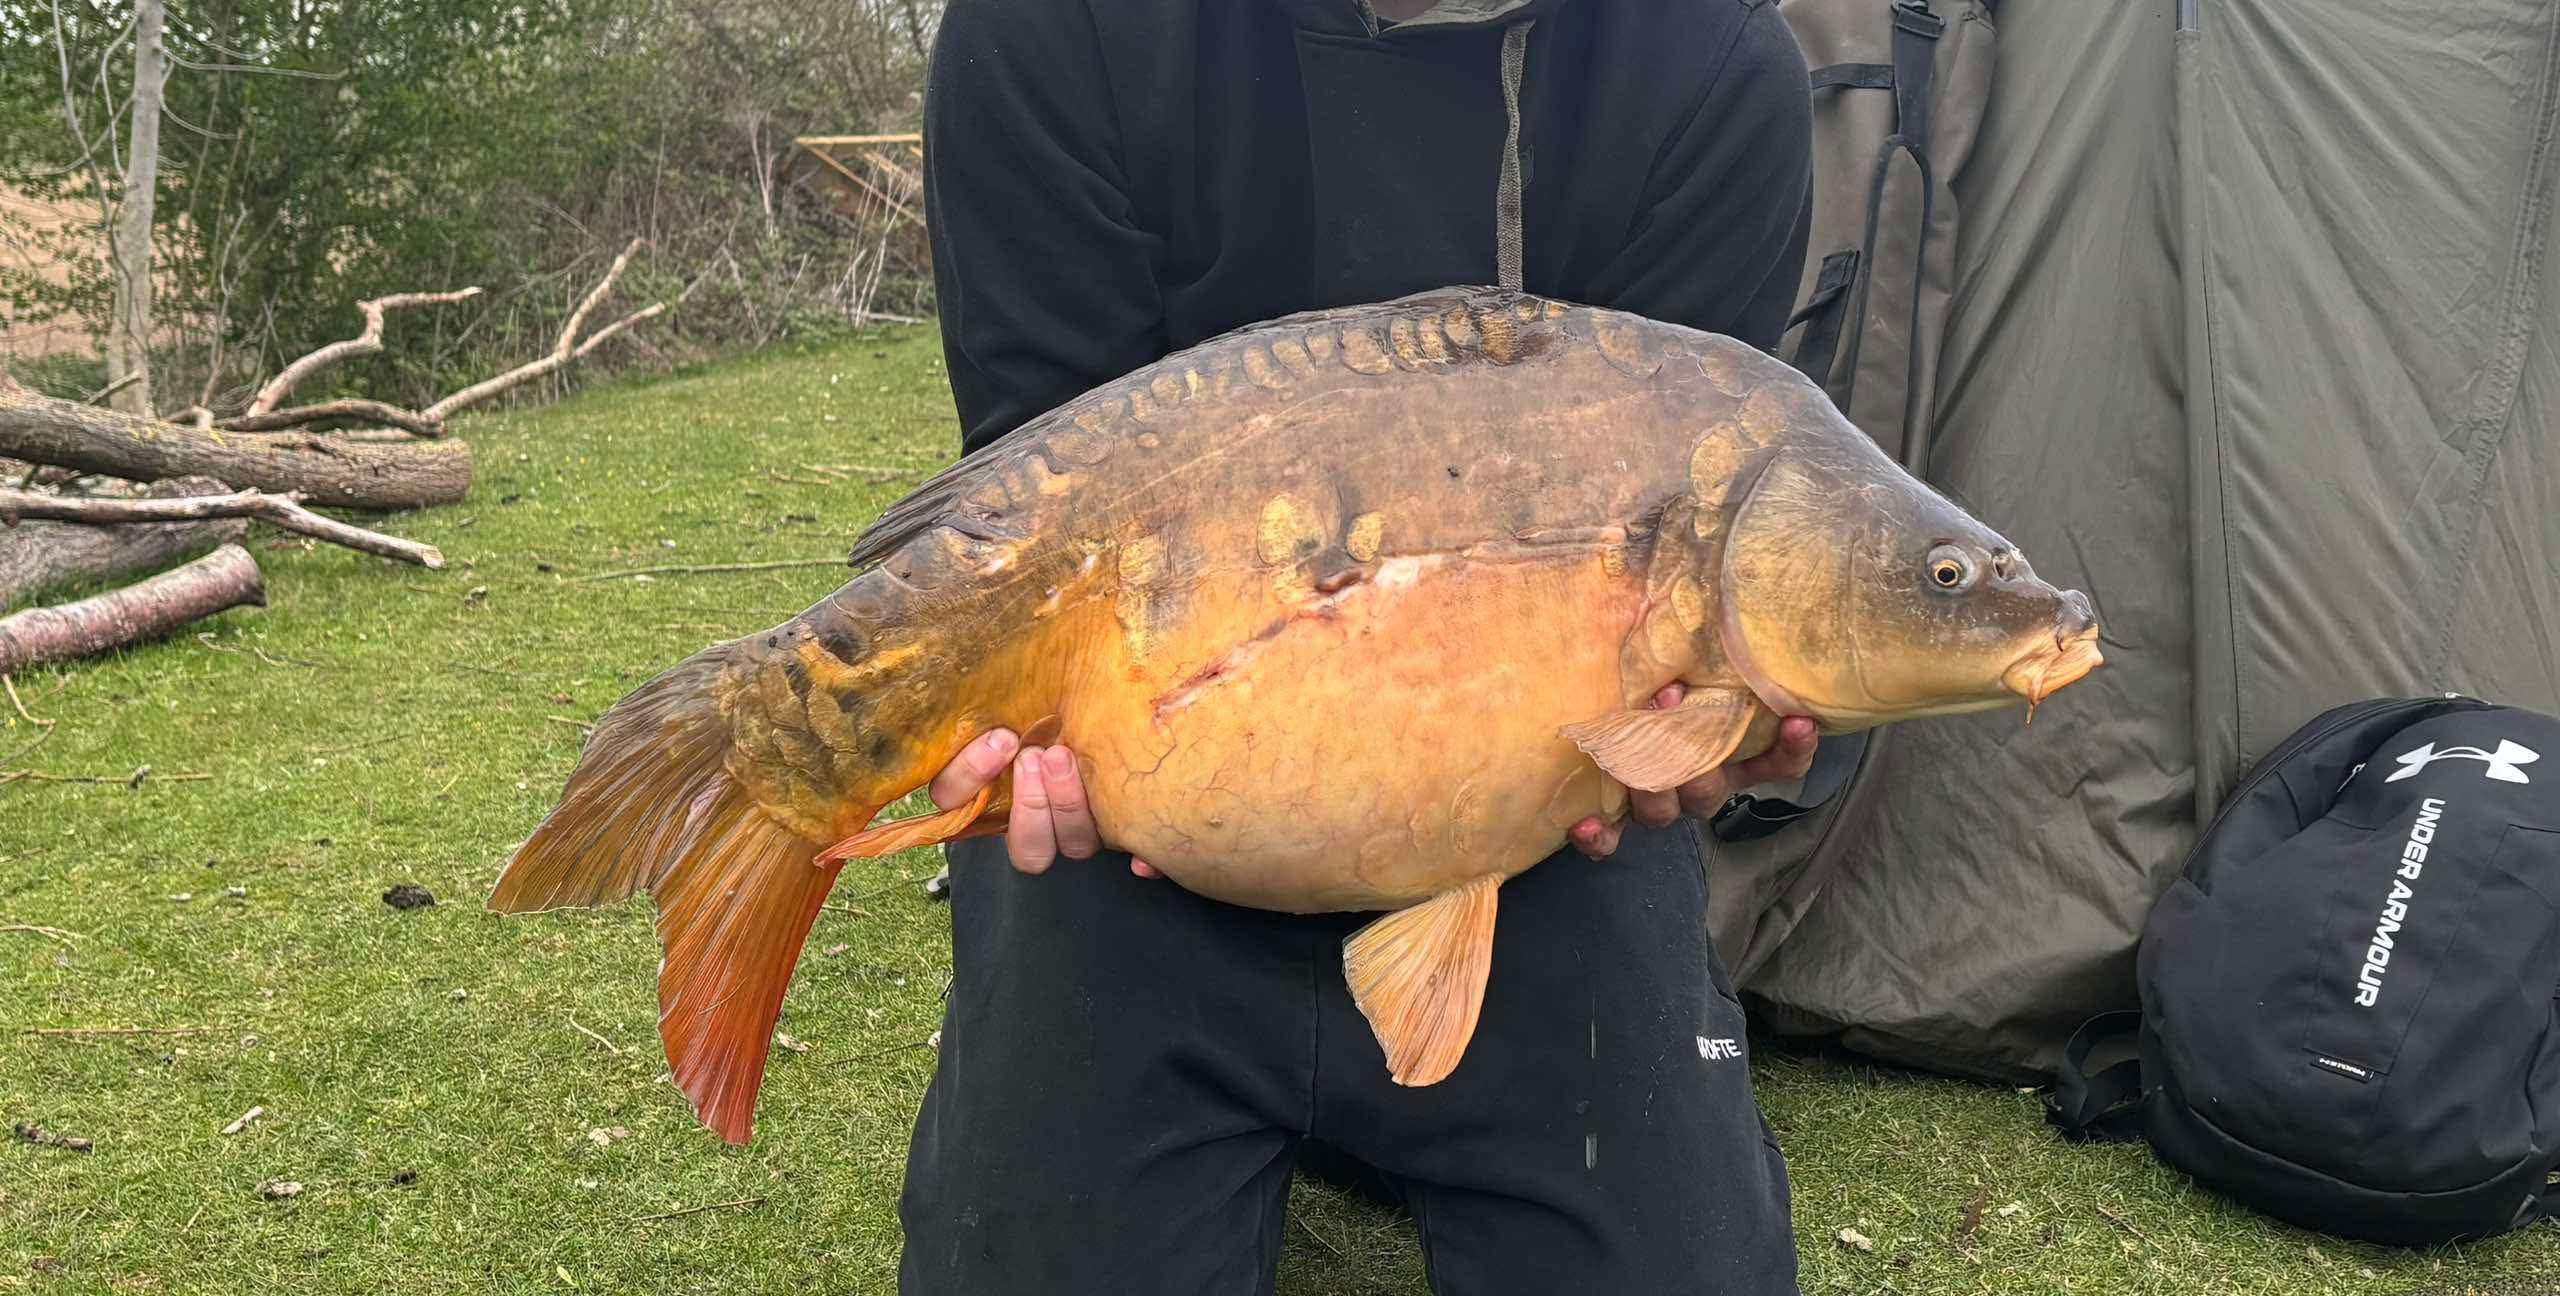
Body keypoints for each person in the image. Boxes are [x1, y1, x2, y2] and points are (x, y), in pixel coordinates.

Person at [897, 0, 1820, 1290]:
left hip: (1538, 835)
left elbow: (1693, 545)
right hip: (1138, 823)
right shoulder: (1053, 28)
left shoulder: (1713, 71)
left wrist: (1693, 725)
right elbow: (1044, 505)